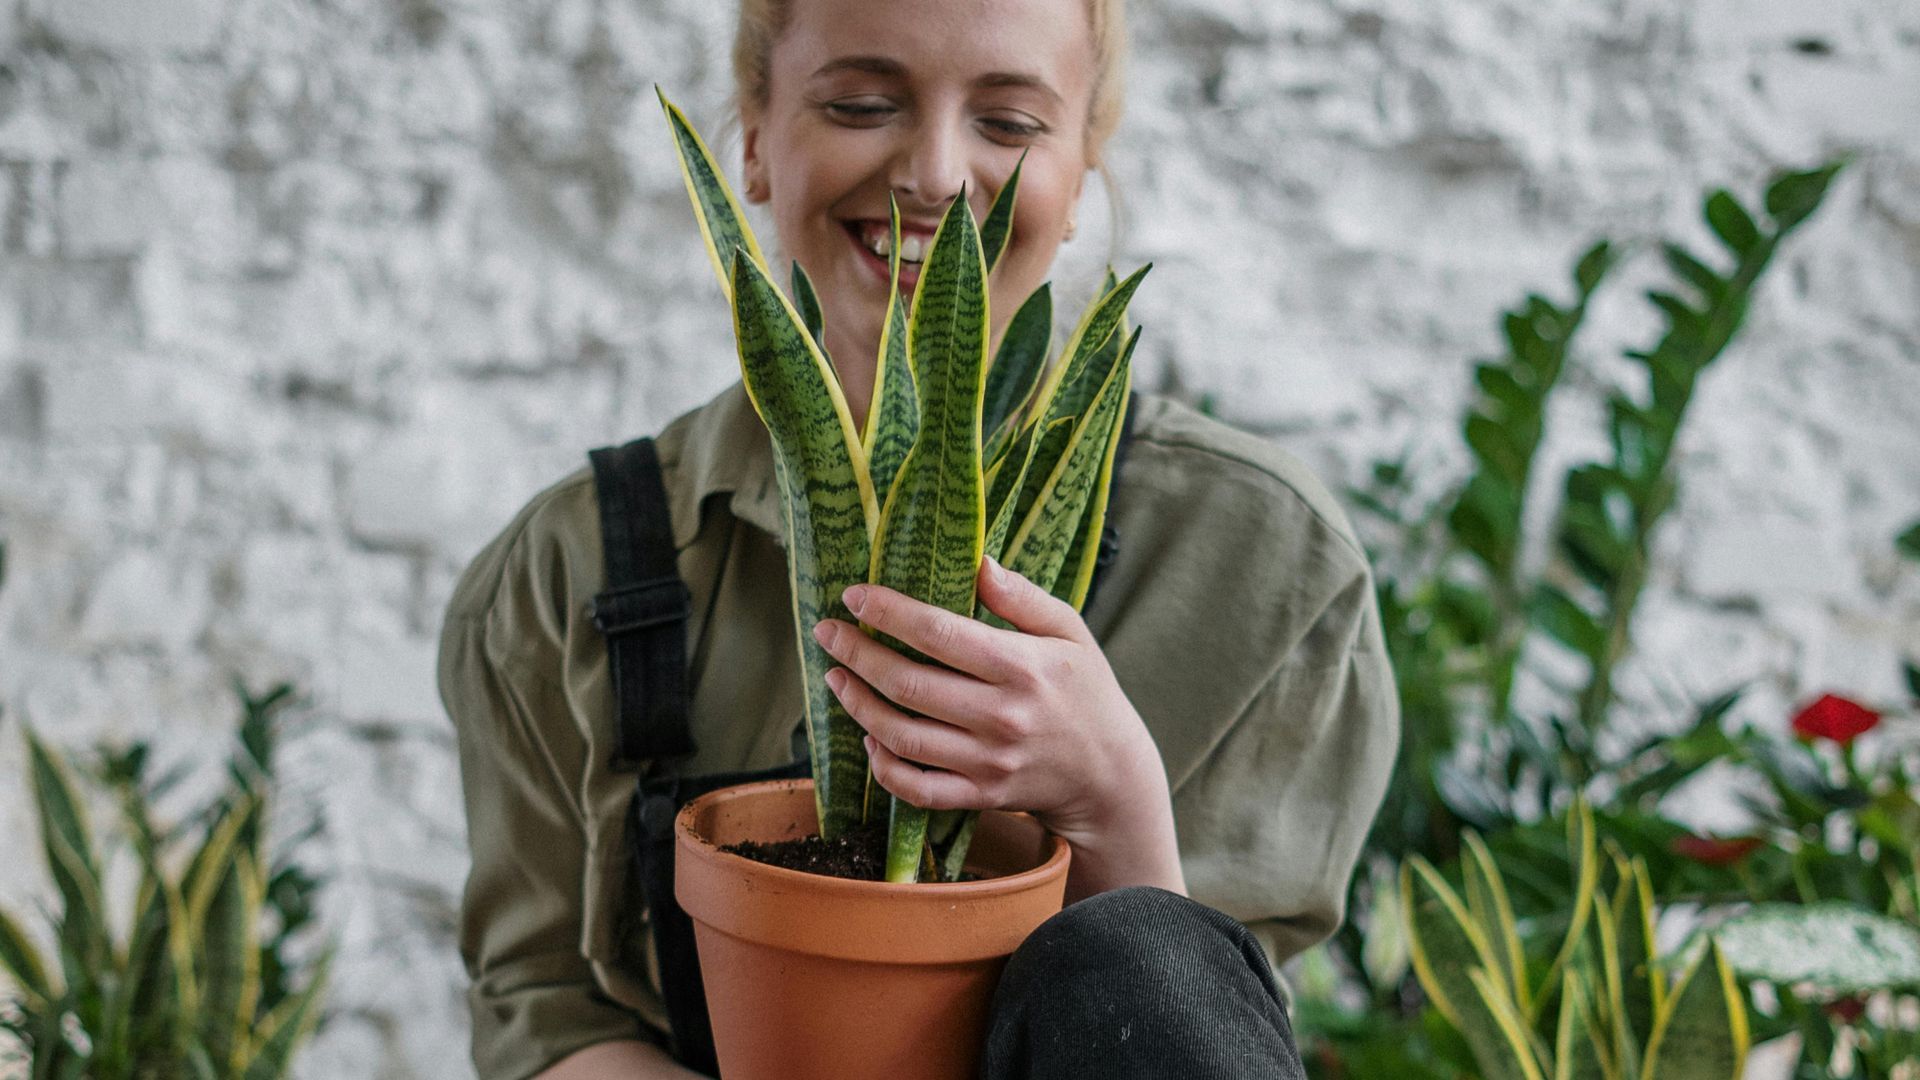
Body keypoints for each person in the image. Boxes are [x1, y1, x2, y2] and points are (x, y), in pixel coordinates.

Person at [437, 0, 1400, 1076]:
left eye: (1010, 123)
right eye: (860, 103)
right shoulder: (565, 574)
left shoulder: (1264, 565)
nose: (935, 173)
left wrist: (1115, 802)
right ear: (753, 140)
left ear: (1083, 168)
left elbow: (1210, 1034)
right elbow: (546, 1013)